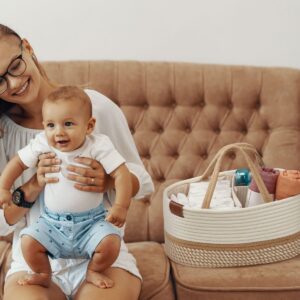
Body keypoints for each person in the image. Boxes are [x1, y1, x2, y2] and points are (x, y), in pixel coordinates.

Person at [0, 24, 154, 300]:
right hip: (34, 261)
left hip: (99, 253)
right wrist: (33, 186)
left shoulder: (94, 108)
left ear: (28, 47)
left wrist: (108, 181)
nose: (13, 83)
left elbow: (143, 183)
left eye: (14, 66)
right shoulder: (3, 130)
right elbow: (1, 223)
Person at [0, 85, 134, 289]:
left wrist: (121, 206)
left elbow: (122, 173)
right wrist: (4, 188)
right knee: (28, 241)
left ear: (89, 126)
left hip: (91, 223)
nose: (58, 132)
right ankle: (43, 272)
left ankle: (94, 270)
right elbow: (17, 163)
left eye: (68, 124)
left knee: (110, 242)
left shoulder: (98, 145)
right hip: (51, 224)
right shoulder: (42, 143)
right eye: (51, 125)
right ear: (44, 126)